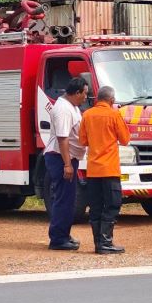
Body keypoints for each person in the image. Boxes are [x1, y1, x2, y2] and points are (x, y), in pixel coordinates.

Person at [79, 86, 131, 254]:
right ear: (112, 100)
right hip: (109, 169)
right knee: (112, 205)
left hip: (93, 170)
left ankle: (98, 243)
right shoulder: (114, 115)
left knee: (95, 207)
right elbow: (125, 140)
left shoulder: (87, 115)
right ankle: (106, 243)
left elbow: (83, 141)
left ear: (97, 99)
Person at [44, 77, 88, 251]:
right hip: (60, 158)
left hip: (67, 158)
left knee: (69, 199)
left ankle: (63, 234)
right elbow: (63, 139)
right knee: (63, 199)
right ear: (76, 93)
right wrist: (67, 165)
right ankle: (58, 239)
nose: (86, 97)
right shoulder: (63, 109)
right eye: (84, 93)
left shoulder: (72, 107)